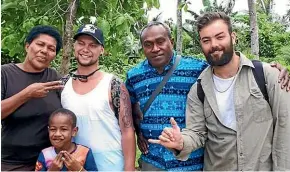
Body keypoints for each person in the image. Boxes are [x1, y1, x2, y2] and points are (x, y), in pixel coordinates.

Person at [149, 12, 290, 171]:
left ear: (233, 37)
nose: (214, 45)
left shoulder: (267, 76)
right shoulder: (199, 90)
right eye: (206, 40)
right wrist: (181, 142)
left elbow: (285, 129)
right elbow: (197, 133)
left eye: (220, 37)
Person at [125, 21, 207, 171]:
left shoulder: (198, 69)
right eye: (148, 44)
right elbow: (128, 109)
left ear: (172, 41)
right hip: (152, 159)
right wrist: (138, 132)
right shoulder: (134, 76)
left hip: (190, 161)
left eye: (160, 41)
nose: (155, 49)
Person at [61, 24, 136, 171]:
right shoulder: (63, 85)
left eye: (92, 45)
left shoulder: (114, 85)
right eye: (81, 43)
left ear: (101, 50)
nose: (85, 49)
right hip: (74, 166)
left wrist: (129, 168)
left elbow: (127, 130)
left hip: (111, 165)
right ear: (74, 46)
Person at [1, 25, 63, 171]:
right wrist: (26, 94)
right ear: (28, 46)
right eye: (40, 44)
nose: (44, 51)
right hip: (12, 163)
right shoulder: (5, 74)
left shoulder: (54, 77)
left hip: (48, 161)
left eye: (51, 48)